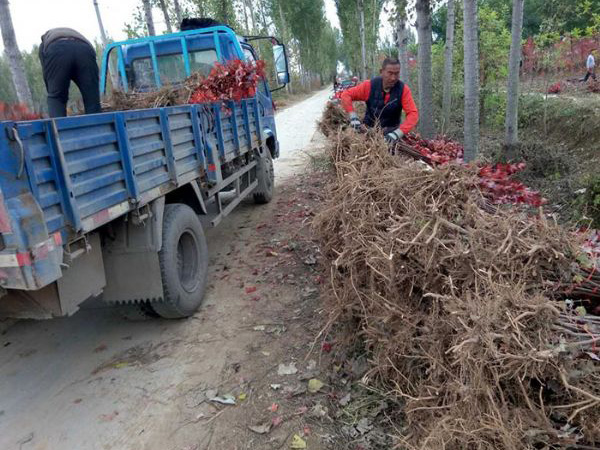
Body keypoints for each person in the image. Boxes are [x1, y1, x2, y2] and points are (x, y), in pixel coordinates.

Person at [340, 58, 418, 143]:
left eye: (396, 73)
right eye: (390, 73)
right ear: (381, 71)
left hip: (391, 136)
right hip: (368, 133)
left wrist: (398, 133)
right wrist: (353, 116)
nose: (393, 78)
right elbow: (346, 95)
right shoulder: (369, 86)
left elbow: (413, 114)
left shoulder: (403, 90)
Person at [38, 28, 101, 118]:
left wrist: (55, 91)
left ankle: (60, 130)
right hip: (85, 50)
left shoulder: (44, 44)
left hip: (57, 49)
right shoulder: (74, 34)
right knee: (92, 99)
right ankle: (98, 129)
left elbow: (48, 79)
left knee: (56, 98)